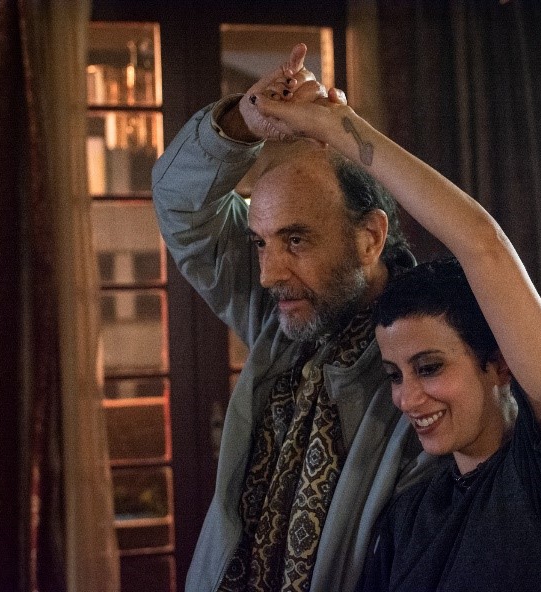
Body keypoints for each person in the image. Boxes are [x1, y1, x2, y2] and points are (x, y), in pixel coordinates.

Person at [253, 54, 541, 591]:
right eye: (395, 375)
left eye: (429, 367)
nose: (408, 398)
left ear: (499, 364)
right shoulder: (408, 518)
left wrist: (335, 126)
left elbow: (481, 244)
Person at [151, 44, 436, 592]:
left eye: (296, 240)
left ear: (370, 238)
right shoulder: (282, 315)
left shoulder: (428, 362)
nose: (268, 274)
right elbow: (181, 208)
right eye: (261, 243)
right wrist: (244, 122)